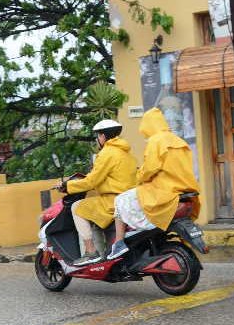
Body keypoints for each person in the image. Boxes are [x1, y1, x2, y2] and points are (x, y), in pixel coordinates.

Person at [108, 108, 200, 260]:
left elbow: (150, 168)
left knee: (120, 200)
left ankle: (119, 243)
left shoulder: (156, 141)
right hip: (185, 189)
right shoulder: (178, 140)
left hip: (164, 190)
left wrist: (139, 176)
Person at [57, 120, 137, 266]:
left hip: (113, 201)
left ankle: (91, 252)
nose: (97, 139)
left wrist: (67, 186)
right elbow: (109, 179)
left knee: (77, 207)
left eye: (98, 136)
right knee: (91, 208)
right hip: (129, 200)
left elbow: (91, 181)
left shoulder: (106, 153)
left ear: (103, 136)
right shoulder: (126, 153)